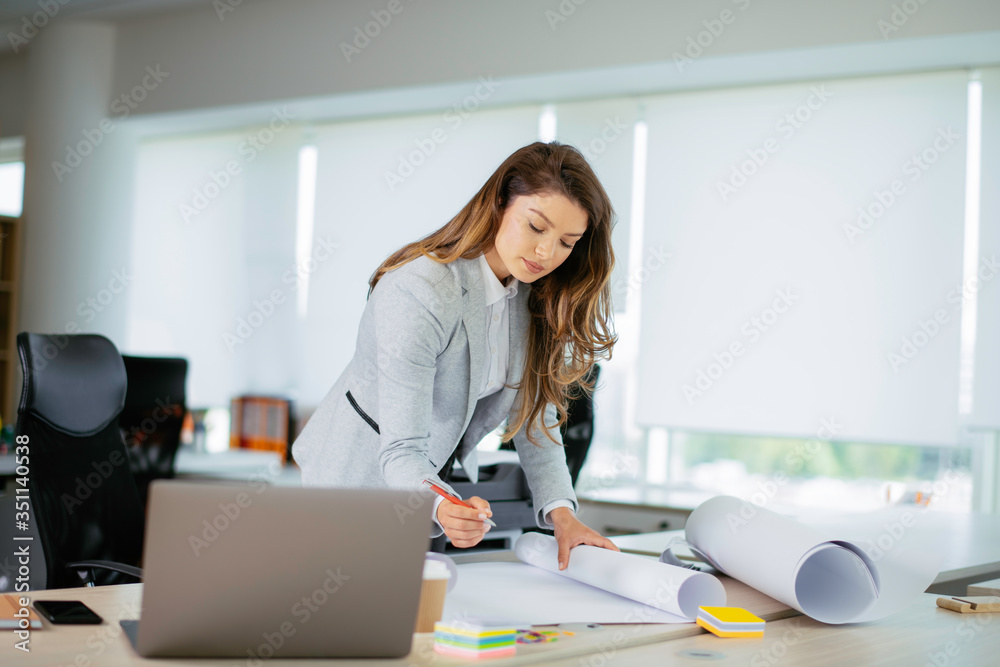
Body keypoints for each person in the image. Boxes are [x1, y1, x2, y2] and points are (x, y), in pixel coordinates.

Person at [293, 141, 619, 569]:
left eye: (566, 242)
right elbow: (402, 447)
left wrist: (563, 516)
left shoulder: (528, 296)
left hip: (425, 482)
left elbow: (535, 420)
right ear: (500, 202)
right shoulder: (420, 291)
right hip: (352, 487)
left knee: (421, 606)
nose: (547, 253)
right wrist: (442, 504)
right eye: (536, 227)